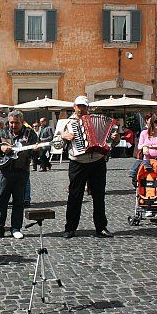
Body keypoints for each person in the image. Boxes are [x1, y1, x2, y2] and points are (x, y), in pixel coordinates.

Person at [61, 96, 119, 239]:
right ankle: (70, 228)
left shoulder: (97, 120)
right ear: (74, 106)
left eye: (84, 106)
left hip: (97, 161)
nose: (81, 109)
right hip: (78, 162)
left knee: (99, 196)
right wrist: (63, 136)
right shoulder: (67, 122)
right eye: (79, 106)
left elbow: (110, 142)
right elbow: (56, 142)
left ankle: (101, 227)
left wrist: (116, 139)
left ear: (88, 107)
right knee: (75, 196)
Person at [0, 110, 37, 240]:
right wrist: (0, 148)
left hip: (21, 171)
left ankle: (16, 228)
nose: (13, 125)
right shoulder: (4, 132)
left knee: (19, 202)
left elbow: (36, 154)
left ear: (22, 121)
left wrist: (37, 150)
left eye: (16, 123)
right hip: (5, 171)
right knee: (1, 201)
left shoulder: (30, 133)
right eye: (11, 122)